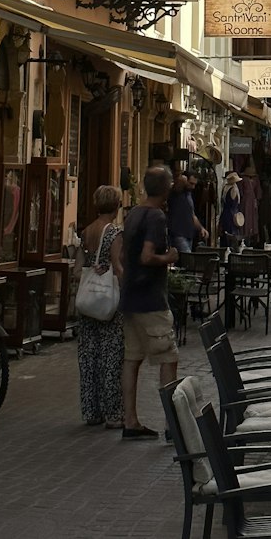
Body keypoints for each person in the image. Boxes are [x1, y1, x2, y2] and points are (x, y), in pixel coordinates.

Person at [111, 165, 180, 439]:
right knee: (168, 357)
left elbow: (124, 253)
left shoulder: (133, 214)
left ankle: (131, 420)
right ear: (165, 189)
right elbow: (146, 256)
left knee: (132, 358)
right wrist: (169, 258)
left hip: (130, 297)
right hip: (151, 299)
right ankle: (172, 423)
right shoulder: (156, 217)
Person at [75, 184, 125, 429]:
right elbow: (117, 266)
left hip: (88, 302)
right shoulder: (114, 233)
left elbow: (77, 269)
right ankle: (113, 412)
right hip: (106, 302)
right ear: (115, 206)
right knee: (111, 356)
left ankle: (91, 410)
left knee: (89, 356)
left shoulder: (86, 232)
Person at [166, 172, 209, 253]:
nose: (193, 187)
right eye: (191, 183)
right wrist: (183, 178)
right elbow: (178, 183)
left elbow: (192, 215)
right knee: (188, 259)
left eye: (195, 184)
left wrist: (201, 228)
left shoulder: (189, 194)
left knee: (185, 261)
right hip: (178, 233)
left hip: (188, 234)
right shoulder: (177, 192)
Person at [219, 171, 245, 247]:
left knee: (225, 235)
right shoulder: (234, 189)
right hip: (232, 215)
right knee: (231, 236)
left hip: (225, 214)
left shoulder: (225, 188)